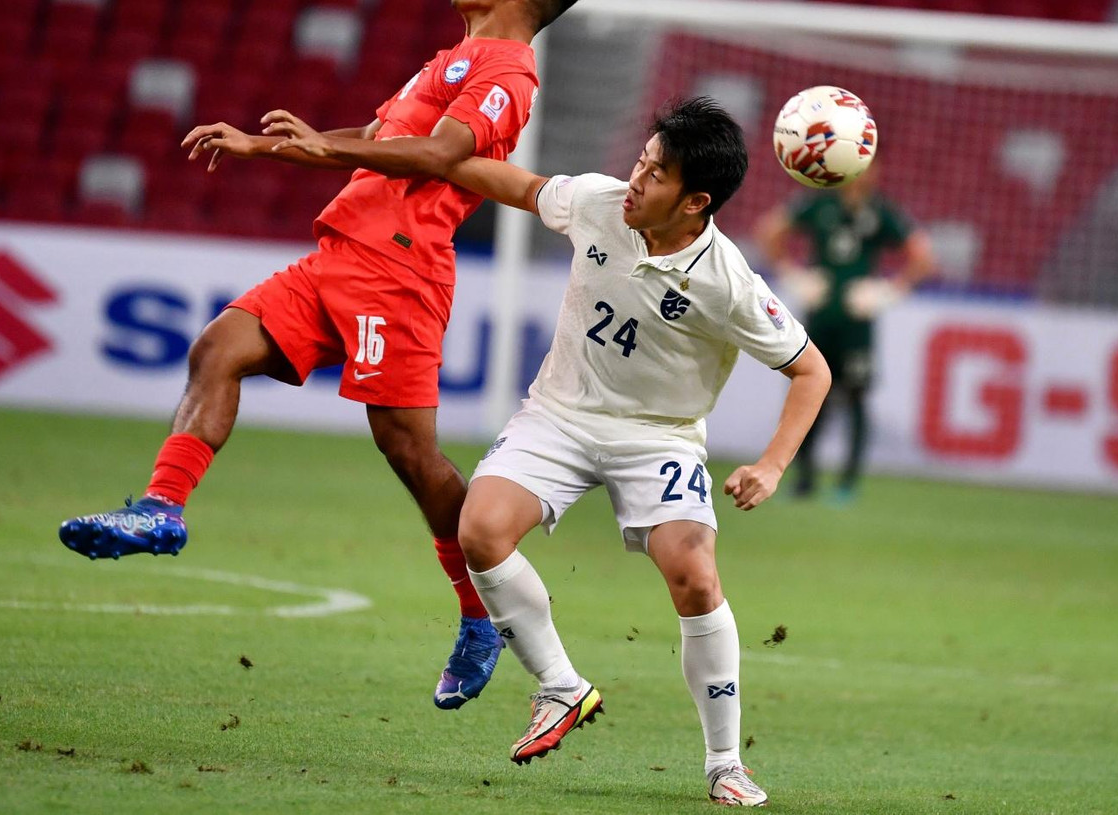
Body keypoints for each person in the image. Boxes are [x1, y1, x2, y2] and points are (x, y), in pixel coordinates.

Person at [58, 0, 586, 713]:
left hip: (400, 273)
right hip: (338, 255)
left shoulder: (508, 73)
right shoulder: (448, 59)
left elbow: (440, 157)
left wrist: (323, 151)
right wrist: (261, 146)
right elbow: (375, 137)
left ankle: (481, 615)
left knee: (411, 454)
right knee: (218, 346)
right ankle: (162, 509)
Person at [319, 97, 829, 806]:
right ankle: (560, 686)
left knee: (694, 574)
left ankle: (724, 762)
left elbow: (812, 369)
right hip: (558, 414)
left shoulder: (729, 283)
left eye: (655, 174)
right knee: (480, 529)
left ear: (695, 202)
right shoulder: (598, 202)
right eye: (641, 160)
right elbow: (521, 186)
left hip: (659, 435)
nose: (635, 179)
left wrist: (771, 464)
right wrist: (428, 155)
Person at [755, 166, 934, 502]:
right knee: (808, 396)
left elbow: (922, 255)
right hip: (819, 318)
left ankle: (848, 482)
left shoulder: (881, 212)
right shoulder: (818, 204)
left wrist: (889, 292)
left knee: (855, 399)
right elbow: (769, 230)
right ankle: (804, 479)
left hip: (856, 323)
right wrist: (792, 275)